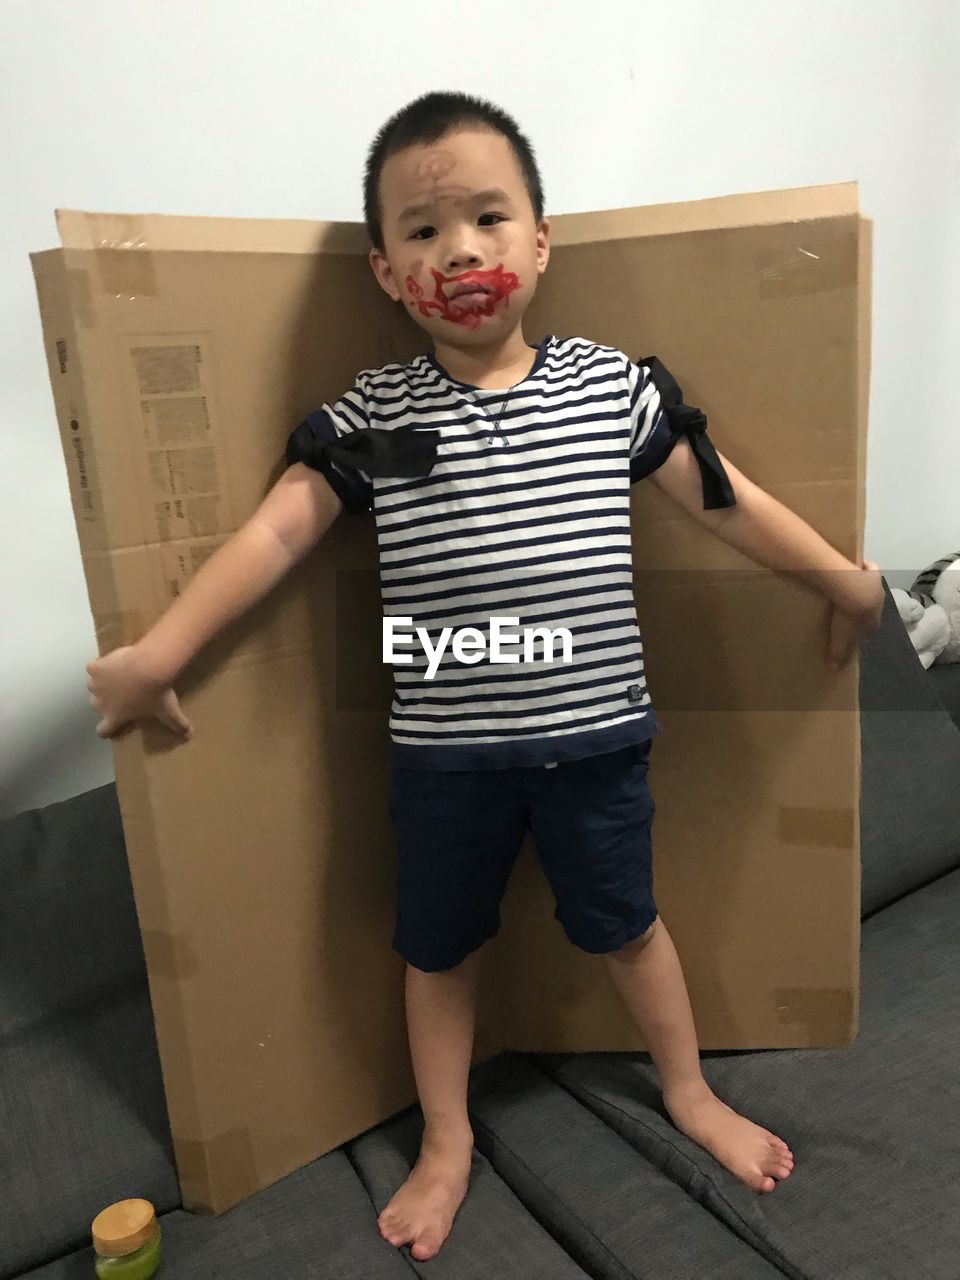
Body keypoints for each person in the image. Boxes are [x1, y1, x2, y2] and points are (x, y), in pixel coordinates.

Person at [86, 90, 884, 1263]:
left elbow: (726, 502)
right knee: (437, 947)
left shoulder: (609, 390)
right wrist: (161, 654)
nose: (459, 248)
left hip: (598, 740)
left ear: (540, 240)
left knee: (627, 925)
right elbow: (275, 535)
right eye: (422, 229)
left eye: (489, 217)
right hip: (444, 760)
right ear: (384, 269)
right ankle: (450, 1138)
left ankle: (688, 1089)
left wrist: (845, 583)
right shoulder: (381, 417)